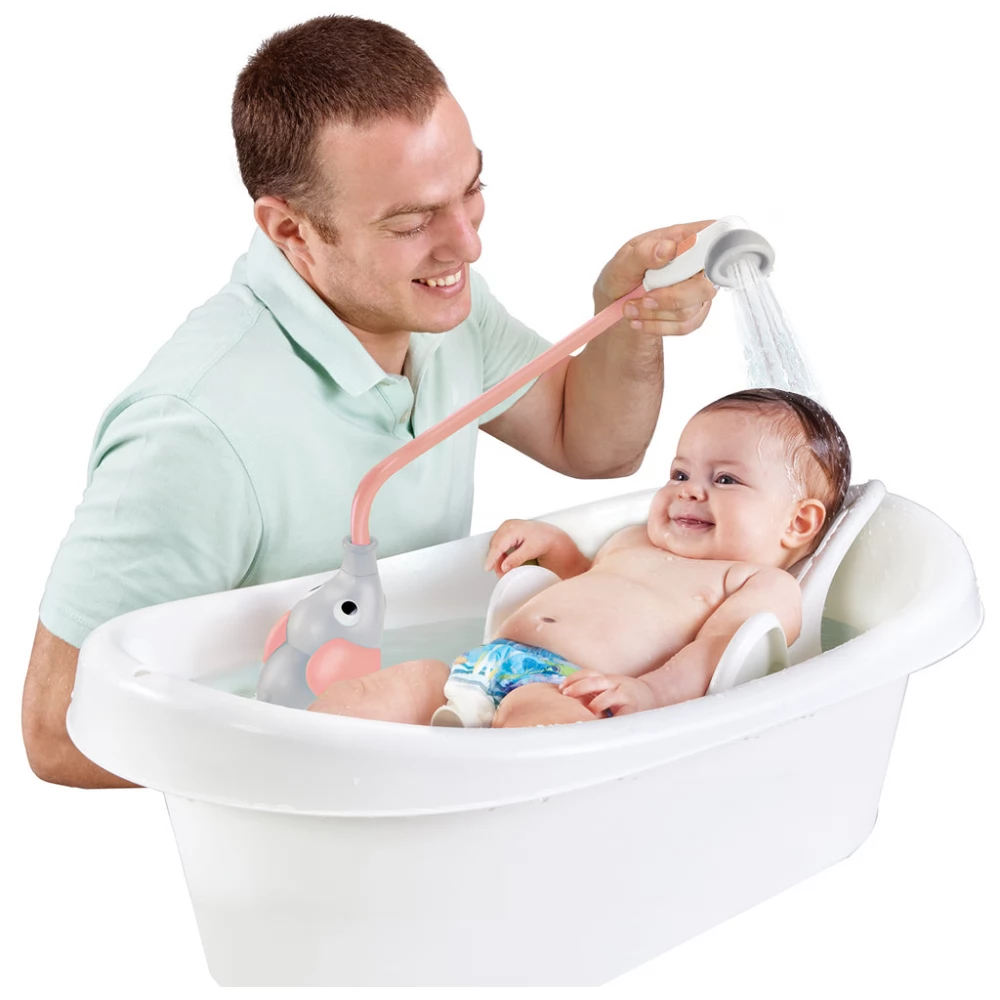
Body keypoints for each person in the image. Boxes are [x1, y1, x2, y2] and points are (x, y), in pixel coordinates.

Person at [21, 15, 716, 787]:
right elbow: (57, 731)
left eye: (472, 189)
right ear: (291, 229)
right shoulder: (194, 432)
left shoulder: (435, 306)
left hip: (446, 759)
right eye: (412, 222)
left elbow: (588, 441)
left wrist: (627, 318)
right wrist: (335, 743)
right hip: (321, 813)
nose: (467, 244)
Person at [308, 389, 851, 727]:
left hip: (568, 692)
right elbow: (587, 585)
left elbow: (716, 654)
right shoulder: (635, 540)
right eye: (680, 473)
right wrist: (554, 547)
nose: (688, 490)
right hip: (477, 667)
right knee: (378, 693)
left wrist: (649, 692)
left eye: (725, 479)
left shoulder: (756, 583)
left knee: (535, 732)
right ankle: (304, 757)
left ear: (798, 523)